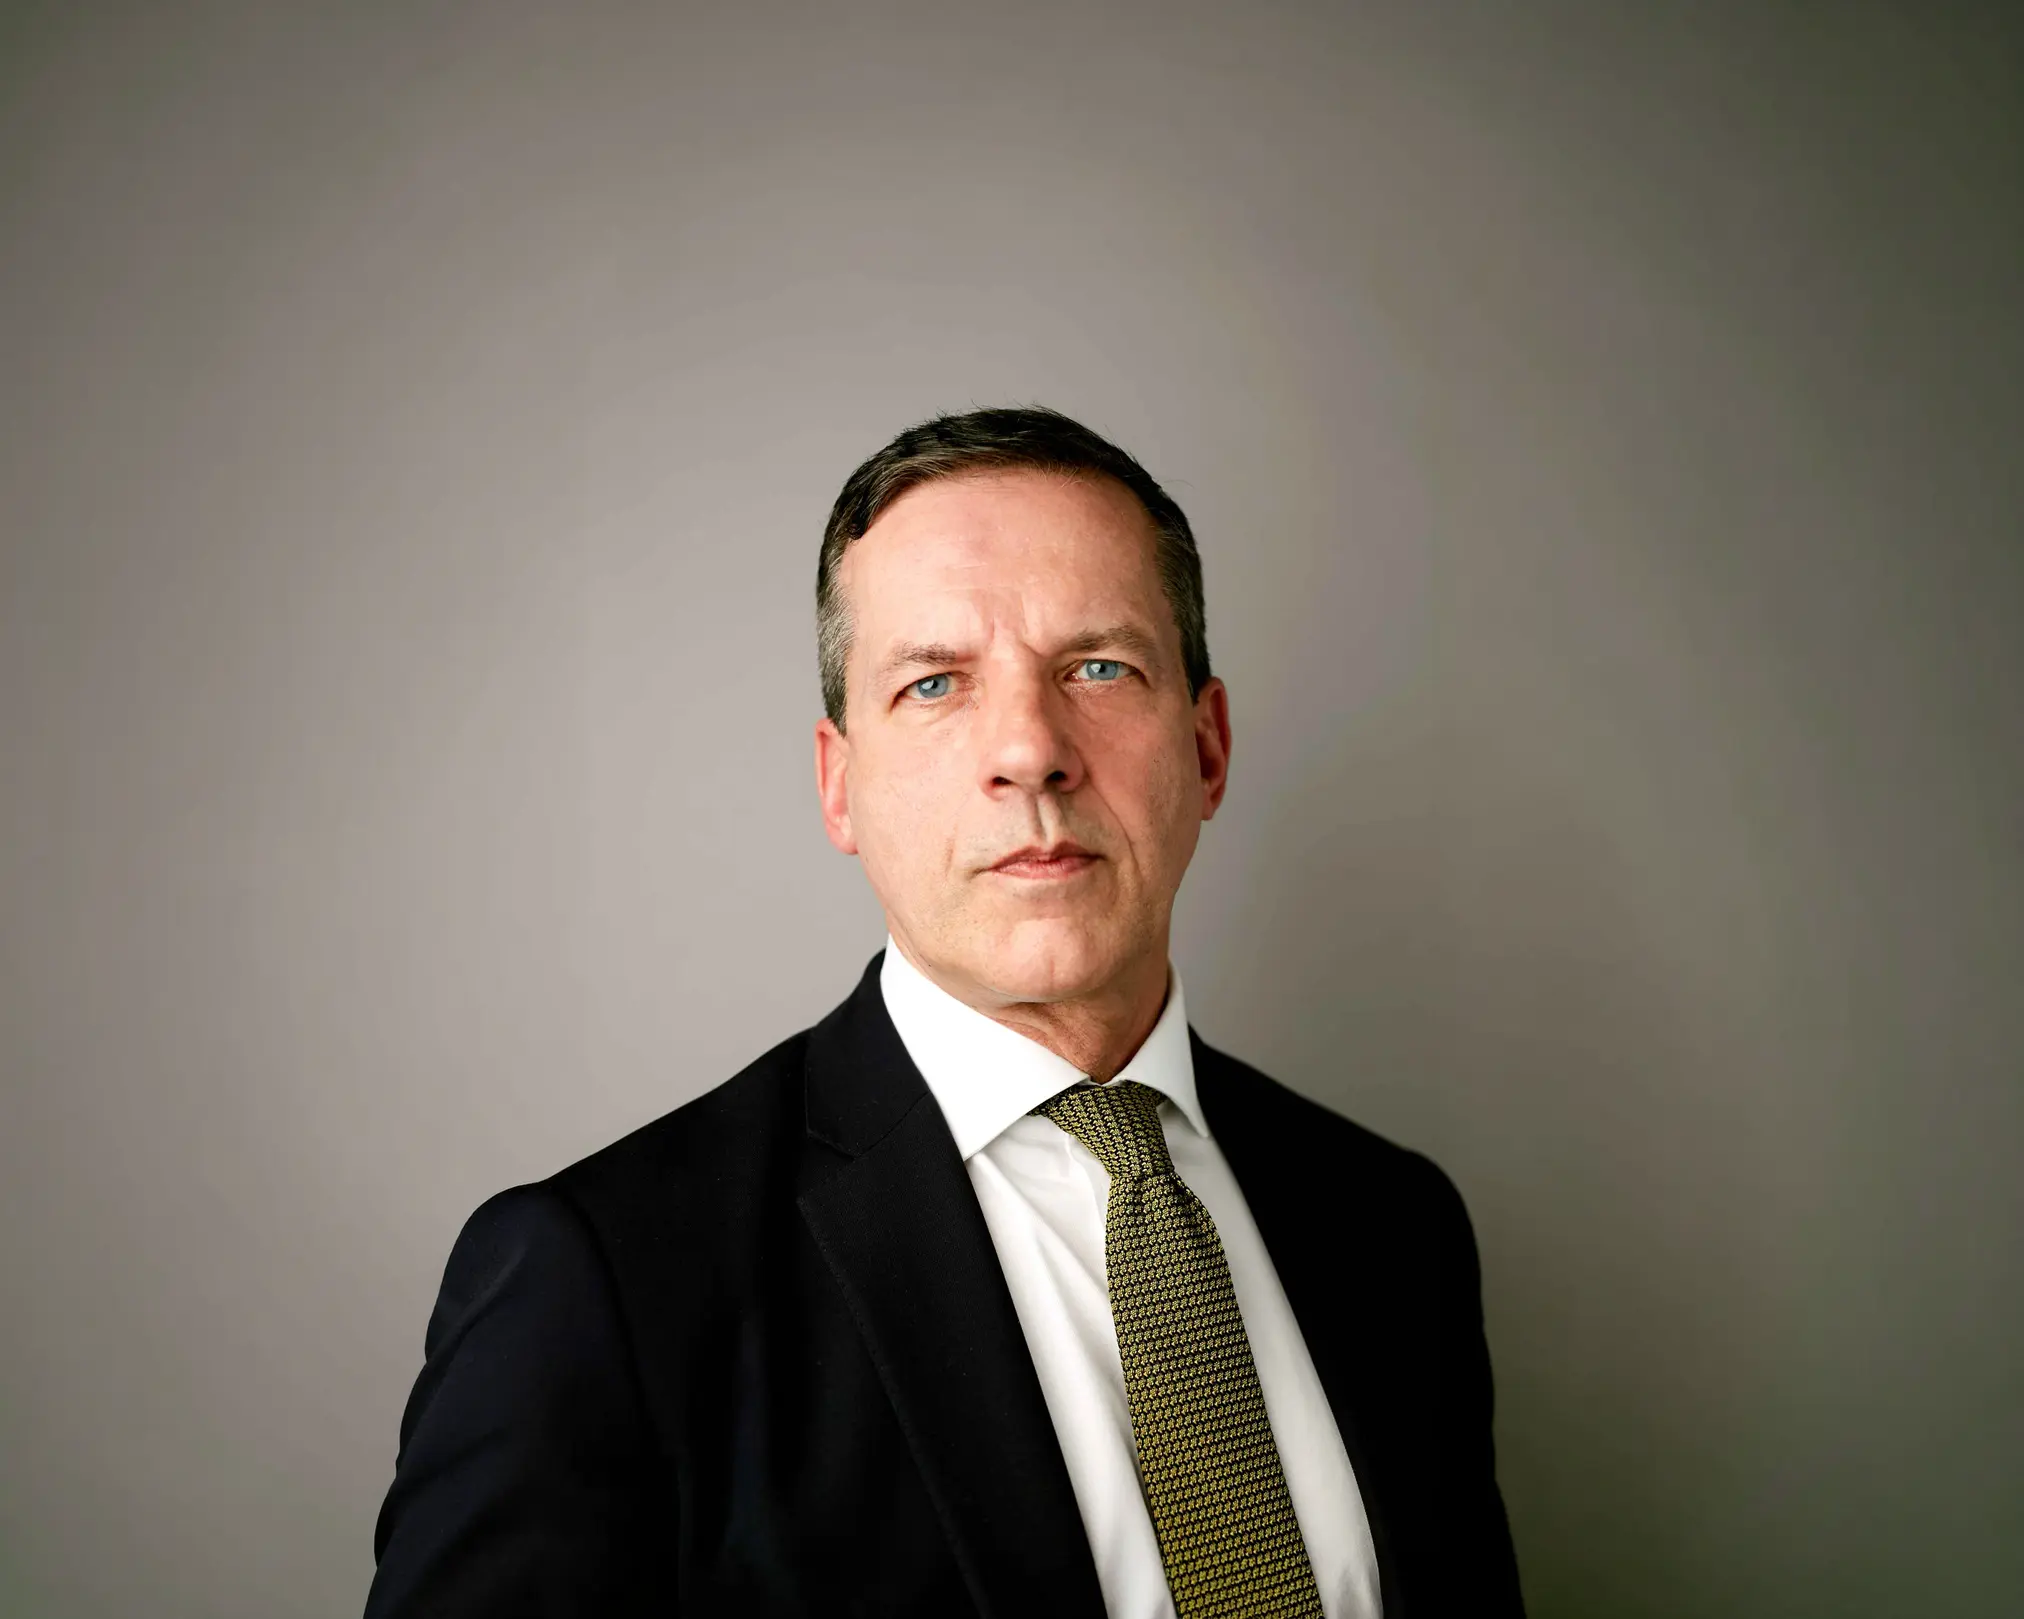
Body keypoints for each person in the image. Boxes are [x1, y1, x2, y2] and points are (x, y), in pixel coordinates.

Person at [364, 407, 1525, 1618]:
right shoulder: (599, 1282)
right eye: (934, 683)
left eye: (1098, 667)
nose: (1028, 749)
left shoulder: (1395, 1224)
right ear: (838, 783)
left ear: (1207, 746)